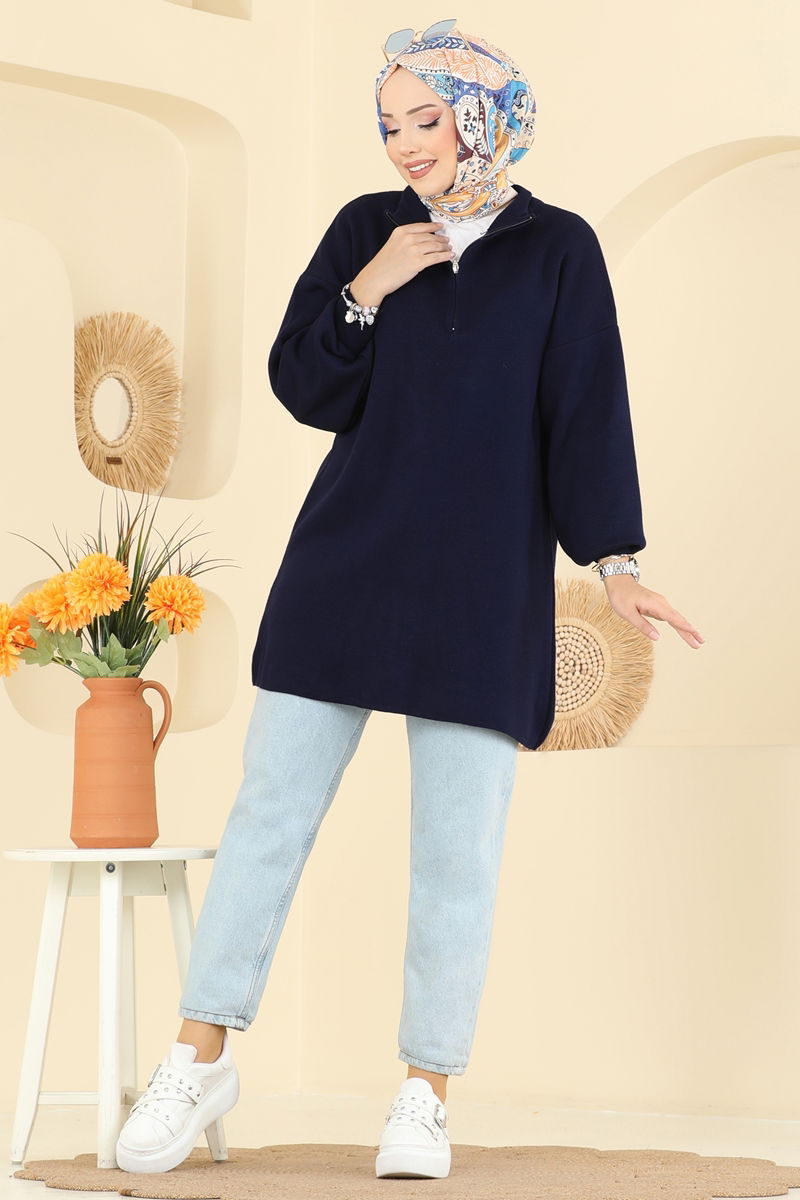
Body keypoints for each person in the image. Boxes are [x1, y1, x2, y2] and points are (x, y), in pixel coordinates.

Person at [114, 24, 705, 1183]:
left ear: (483, 117)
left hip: (481, 592)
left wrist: (616, 566)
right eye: (388, 125)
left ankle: (422, 1094)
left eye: (424, 120)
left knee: (455, 853)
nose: (403, 145)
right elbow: (304, 385)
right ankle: (195, 1057)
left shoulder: (557, 250)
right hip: (345, 569)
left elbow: (583, 408)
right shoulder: (364, 230)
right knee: (269, 818)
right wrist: (366, 289)